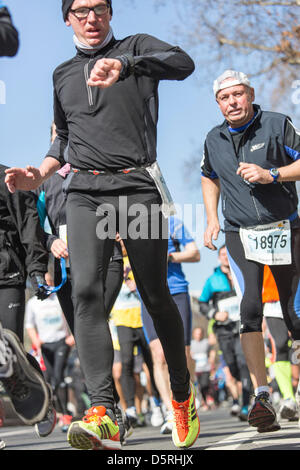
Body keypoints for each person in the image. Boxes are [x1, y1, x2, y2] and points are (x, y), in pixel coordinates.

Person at [5, 0, 199, 450]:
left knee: (154, 294)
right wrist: (41, 172)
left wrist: (126, 64)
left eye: (99, 8)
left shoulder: (137, 48)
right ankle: (104, 410)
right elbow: (64, 138)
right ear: (67, 18)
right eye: (80, 10)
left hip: (136, 186)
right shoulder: (61, 74)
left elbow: (184, 63)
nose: (91, 18)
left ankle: (183, 394)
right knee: (86, 293)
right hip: (85, 193)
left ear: (110, 13)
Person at [201, 69, 300, 433]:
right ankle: (262, 396)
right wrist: (211, 218)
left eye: (238, 95)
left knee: (294, 312)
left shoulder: (276, 124)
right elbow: (209, 176)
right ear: (218, 103)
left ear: (250, 94)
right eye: (225, 98)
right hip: (240, 232)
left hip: (284, 226)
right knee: (250, 308)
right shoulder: (214, 139)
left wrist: (271, 174)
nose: (233, 102)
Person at [141, 215, 200, 434]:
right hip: (146, 294)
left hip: (176, 291)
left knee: (182, 353)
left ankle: (186, 396)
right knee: (158, 355)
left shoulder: (172, 223)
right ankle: (171, 410)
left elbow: (195, 253)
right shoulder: (129, 224)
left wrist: (170, 256)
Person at [199, 245, 251, 421]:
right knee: (232, 364)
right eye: (222, 255)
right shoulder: (212, 280)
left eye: (227, 254)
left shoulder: (241, 274)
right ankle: (240, 397)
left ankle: (245, 404)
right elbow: (202, 304)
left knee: (243, 362)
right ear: (219, 258)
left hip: (241, 326)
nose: (225, 257)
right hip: (224, 330)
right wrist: (215, 314)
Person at [25, 293, 75, 432]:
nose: (47, 285)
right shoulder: (32, 303)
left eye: (50, 282)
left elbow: (71, 314)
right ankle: (58, 412)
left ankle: (66, 415)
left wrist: (73, 336)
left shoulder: (59, 298)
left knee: (59, 377)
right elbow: (29, 325)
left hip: (61, 342)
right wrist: (36, 342)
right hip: (45, 345)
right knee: (50, 381)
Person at [262, 265, 297, 421]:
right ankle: (289, 398)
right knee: (281, 344)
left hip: (294, 297)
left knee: (296, 344)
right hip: (272, 302)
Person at [190, 327, 216, 411]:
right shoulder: (191, 343)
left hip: (205, 368)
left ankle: (207, 400)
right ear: (194, 334)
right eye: (196, 333)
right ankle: (203, 402)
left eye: (200, 333)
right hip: (195, 369)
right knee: (198, 387)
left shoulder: (206, 342)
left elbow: (212, 350)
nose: (198, 335)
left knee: (205, 385)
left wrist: (212, 358)